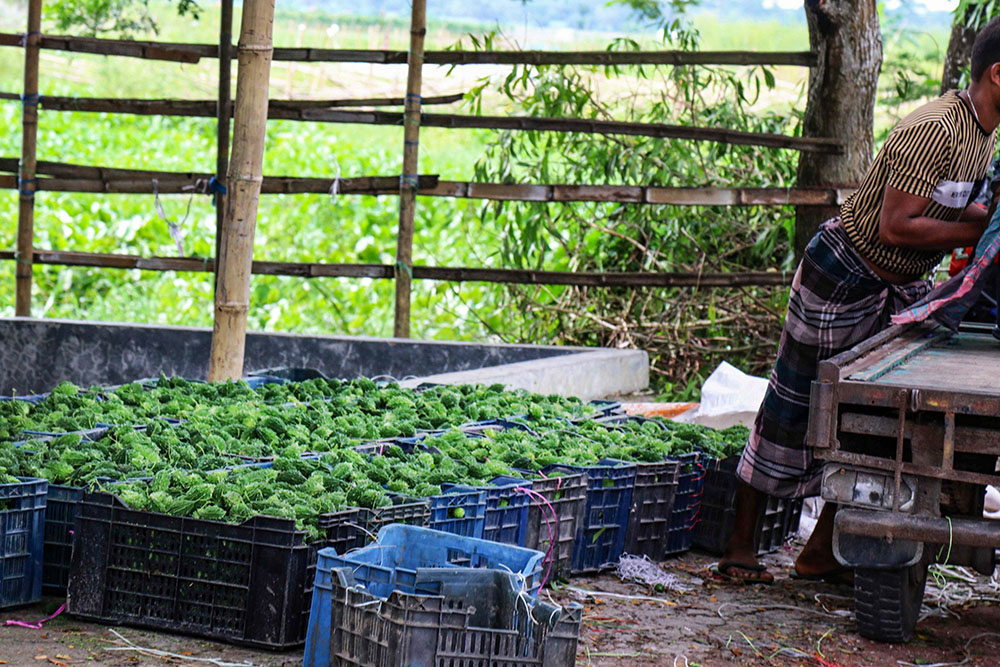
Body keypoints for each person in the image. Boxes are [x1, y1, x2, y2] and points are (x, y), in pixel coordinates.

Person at [717, 16, 1000, 585]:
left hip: (896, 284)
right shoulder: (938, 128)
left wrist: (981, 224)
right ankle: (739, 551)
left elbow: (950, 216)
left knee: (879, 419)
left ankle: (820, 553)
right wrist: (979, 231)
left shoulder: (983, 133)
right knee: (793, 407)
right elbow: (896, 227)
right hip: (845, 271)